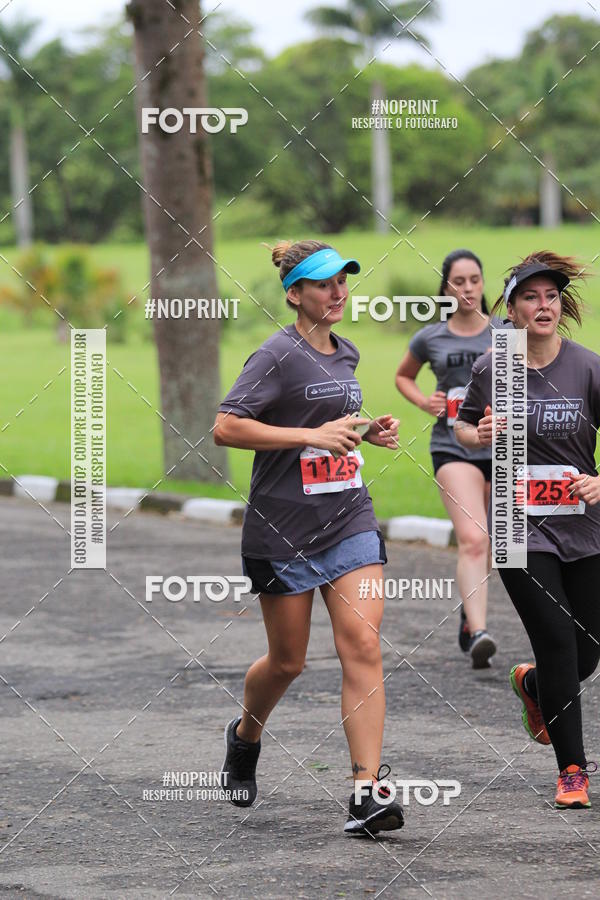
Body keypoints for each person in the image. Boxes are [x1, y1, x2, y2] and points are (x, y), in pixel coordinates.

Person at [213, 239, 404, 835]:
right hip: (281, 529)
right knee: (288, 662)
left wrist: (364, 433)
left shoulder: (345, 352)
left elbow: (326, 425)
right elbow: (225, 427)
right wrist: (310, 438)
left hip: (347, 517)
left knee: (362, 644)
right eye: (323, 284)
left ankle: (365, 793)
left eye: (343, 281)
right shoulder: (275, 354)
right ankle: (246, 736)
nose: (338, 292)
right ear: (294, 293)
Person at [455, 251, 600, 809]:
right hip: (520, 528)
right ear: (511, 310)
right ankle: (572, 770)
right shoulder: (498, 367)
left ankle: (535, 685)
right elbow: (464, 429)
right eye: (531, 297)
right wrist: (480, 433)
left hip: (585, 528)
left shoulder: (586, 367)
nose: (544, 305)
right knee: (558, 642)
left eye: (551, 296)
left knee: (587, 652)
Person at [395, 249, 503, 668]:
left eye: (475, 279)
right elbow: (404, 376)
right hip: (452, 446)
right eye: (459, 281)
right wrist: (426, 402)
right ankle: (479, 633)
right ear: (445, 287)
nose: (468, 288)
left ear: (482, 282)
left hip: (503, 450)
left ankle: (468, 614)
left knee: (498, 544)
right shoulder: (430, 337)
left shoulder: (505, 332)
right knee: (474, 539)